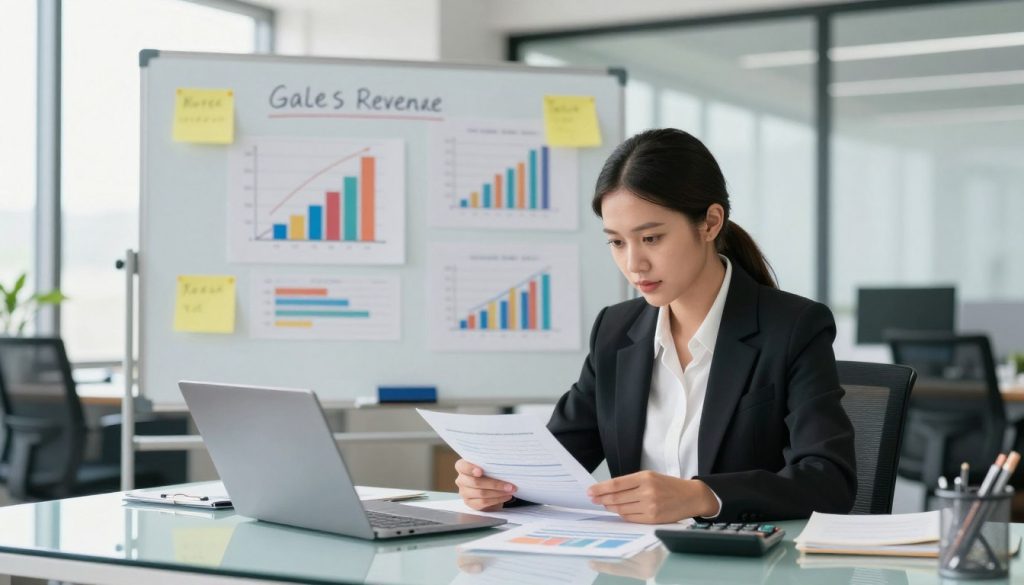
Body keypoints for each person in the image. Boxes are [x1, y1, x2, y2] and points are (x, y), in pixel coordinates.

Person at [455, 128, 856, 524]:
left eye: (650, 238)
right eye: (616, 242)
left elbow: (829, 480)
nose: (634, 264)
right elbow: (558, 462)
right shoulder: (616, 330)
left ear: (711, 223)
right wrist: (499, 486)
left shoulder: (792, 328)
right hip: (637, 562)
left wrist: (702, 496)